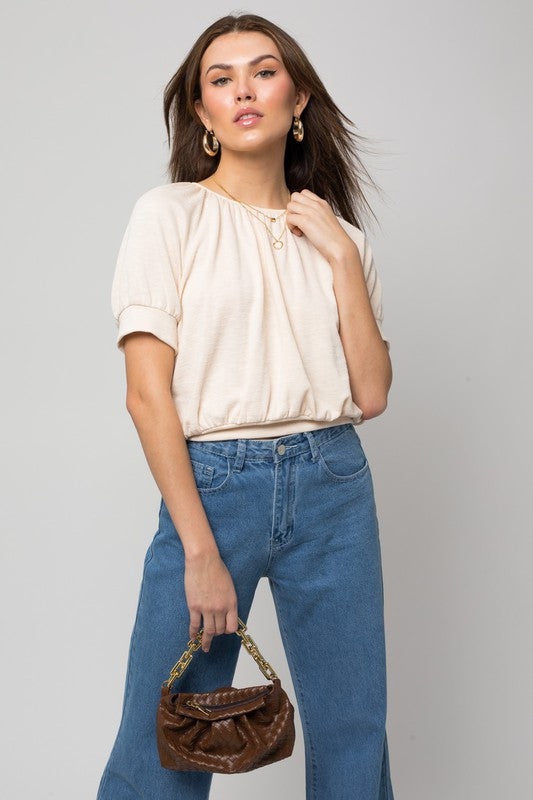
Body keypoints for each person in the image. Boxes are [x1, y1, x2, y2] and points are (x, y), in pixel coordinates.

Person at [96, 11, 395, 800]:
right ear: (202, 114)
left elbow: (371, 393)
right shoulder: (170, 216)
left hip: (332, 481)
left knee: (353, 728)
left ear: (297, 100)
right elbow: (144, 393)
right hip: (214, 487)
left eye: (262, 72)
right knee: (163, 733)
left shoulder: (344, 239)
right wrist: (199, 549)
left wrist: (335, 252)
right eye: (219, 80)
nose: (243, 91)